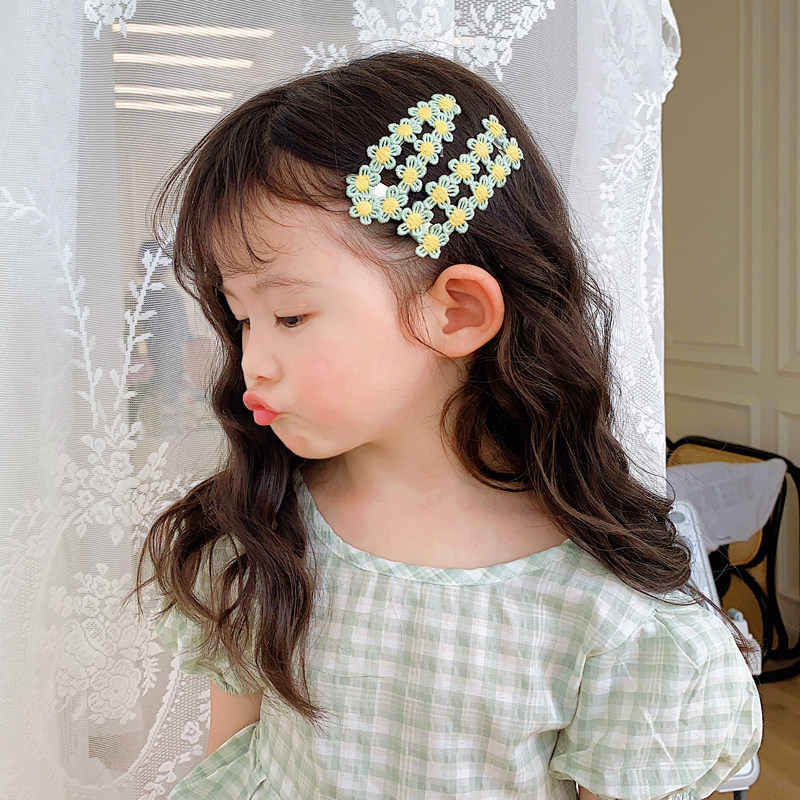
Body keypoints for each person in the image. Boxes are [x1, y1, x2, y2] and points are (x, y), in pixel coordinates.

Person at [129, 50, 763, 800]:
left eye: (290, 316)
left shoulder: (602, 605)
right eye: (241, 319)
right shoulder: (262, 530)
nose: (252, 363)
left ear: (457, 311)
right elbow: (230, 763)